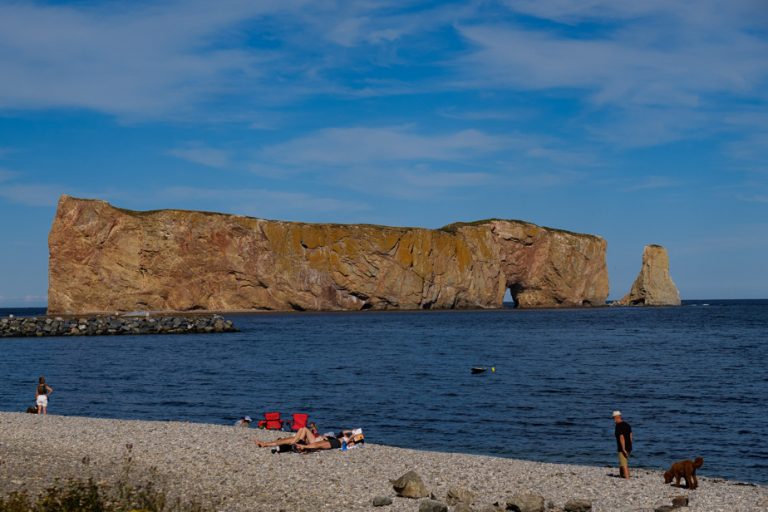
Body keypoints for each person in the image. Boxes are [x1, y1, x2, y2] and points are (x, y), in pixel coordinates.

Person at [255, 427, 362, 452]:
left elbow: (345, 446)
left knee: (292, 439)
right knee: (303, 428)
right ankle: (265, 444)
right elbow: (343, 432)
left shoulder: (346, 442)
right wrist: (352, 431)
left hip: (319, 442)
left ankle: (298, 442)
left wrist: (353, 436)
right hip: (317, 440)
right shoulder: (343, 436)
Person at [613, 410, 632, 479]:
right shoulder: (627, 425)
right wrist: (630, 445)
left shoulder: (618, 426)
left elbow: (621, 437)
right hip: (629, 446)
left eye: (614, 418)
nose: (614, 419)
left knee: (624, 464)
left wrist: (623, 448)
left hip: (622, 447)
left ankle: (627, 478)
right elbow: (630, 435)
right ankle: (622, 476)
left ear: (617, 417)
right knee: (622, 462)